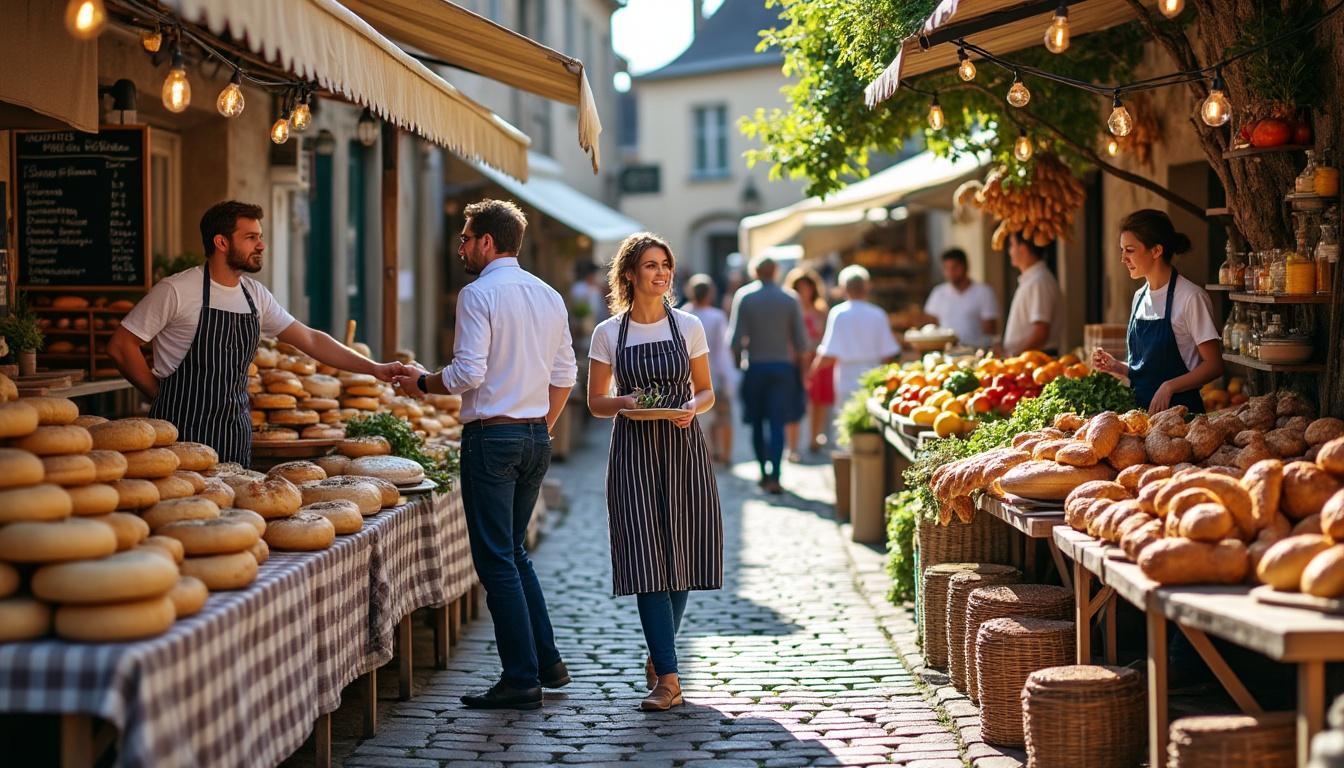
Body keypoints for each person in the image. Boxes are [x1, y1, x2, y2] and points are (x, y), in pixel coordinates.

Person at [396, 199, 577, 710]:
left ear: (488, 243)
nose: (461, 246)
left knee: (496, 559)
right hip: (534, 436)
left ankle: (521, 678)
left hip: (491, 438)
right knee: (514, 552)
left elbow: (468, 373)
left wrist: (423, 383)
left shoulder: (477, 294)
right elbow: (566, 376)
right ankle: (547, 661)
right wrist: (540, 427)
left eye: (465, 237)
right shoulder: (548, 295)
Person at [109, 201, 405, 466]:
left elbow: (312, 340)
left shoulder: (255, 295)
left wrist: (374, 368)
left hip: (234, 435)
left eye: (260, 237)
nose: (261, 245)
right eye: (251, 237)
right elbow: (122, 346)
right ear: (221, 242)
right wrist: (160, 395)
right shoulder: (176, 290)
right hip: (179, 435)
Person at [586, 233, 722, 712]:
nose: (661, 272)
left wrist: (690, 407)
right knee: (646, 562)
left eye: (666, 264)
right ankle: (668, 677)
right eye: (650, 265)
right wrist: (624, 402)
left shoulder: (688, 326)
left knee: (681, 557)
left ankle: (660, 654)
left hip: (683, 447)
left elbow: (707, 391)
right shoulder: (608, 333)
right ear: (629, 274)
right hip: (633, 453)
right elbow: (596, 403)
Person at [1092, 209, 1222, 413]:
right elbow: (1147, 374)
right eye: (1122, 250)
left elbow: (1214, 365)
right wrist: (1118, 367)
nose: (1122, 258)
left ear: (1156, 251)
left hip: (1184, 421)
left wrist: (1169, 387)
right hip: (1142, 418)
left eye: (1130, 250)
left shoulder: (1190, 297)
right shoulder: (1139, 297)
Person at [728, 255, 809, 494]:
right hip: (783, 367)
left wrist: (738, 364)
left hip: (756, 365)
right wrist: (801, 371)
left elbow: (735, 340)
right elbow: (802, 343)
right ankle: (776, 474)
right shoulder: (789, 298)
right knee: (777, 423)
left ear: (754, 272)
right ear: (776, 272)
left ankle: (763, 472)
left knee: (756, 422)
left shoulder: (745, 297)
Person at [811, 265, 901, 408]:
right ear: (867, 288)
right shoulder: (878, 314)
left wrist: (811, 372)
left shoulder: (839, 314)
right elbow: (889, 354)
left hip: (846, 381)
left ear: (844, 289)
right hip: (873, 378)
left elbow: (828, 354)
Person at [683, 274, 736, 465]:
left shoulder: (683, 315)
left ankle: (713, 451)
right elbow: (722, 350)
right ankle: (726, 454)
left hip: (690, 376)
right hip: (715, 373)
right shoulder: (717, 316)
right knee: (724, 416)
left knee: (707, 416)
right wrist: (729, 377)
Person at [783, 267, 834, 457]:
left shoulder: (821, 311)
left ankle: (814, 439)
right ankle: (793, 445)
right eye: (799, 287)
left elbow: (827, 336)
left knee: (818, 401)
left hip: (817, 361)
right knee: (794, 404)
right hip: (795, 361)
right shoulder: (789, 309)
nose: (804, 291)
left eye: (807, 287)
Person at [1001, 232, 1066, 356]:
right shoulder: (1033, 279)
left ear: (1023, 248)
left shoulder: (1039, 281)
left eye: (1012, 245)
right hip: (1027, 360)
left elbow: (1041, 332)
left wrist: (1014, 356)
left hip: (1035, 362)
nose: (1010, 251)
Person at [923, 248, 999, 350]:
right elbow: (931, 325)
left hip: (976, 351)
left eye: (955, 267)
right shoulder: (938, 293)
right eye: (946, 268)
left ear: (966, 266)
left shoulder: (984, 292)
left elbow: (990, 330)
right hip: (945, 352)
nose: (951, 273)